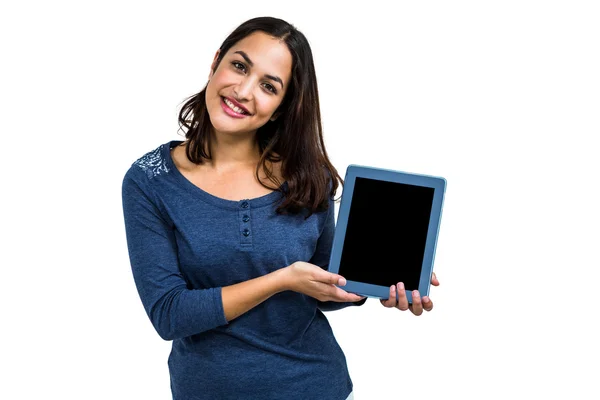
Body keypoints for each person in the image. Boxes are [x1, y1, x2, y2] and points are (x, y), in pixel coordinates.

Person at [121, 16, 440, 400]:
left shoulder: (308, 176)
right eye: (239, 66)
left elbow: (320, 286)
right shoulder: (150, 180)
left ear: (280, 108)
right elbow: (170, 314)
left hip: (318, 387)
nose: (243, 90)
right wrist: (281, 279)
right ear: (216, 62)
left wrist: (366, 283)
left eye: (268, 86)